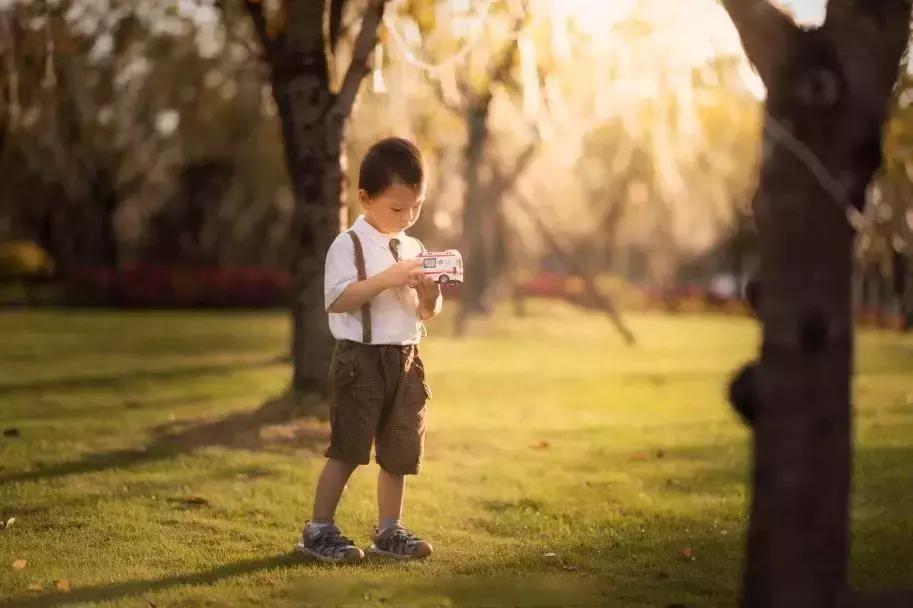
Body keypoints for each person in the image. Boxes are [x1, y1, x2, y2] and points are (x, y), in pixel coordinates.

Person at [296, 137, 442, 562]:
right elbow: (338, 299)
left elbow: (426, 313)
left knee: (399, 450)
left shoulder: (415, 248)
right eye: (398, 208)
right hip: (360, 359)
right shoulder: (348, 245)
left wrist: (429, 295)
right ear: (365, 198)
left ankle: (389, 530)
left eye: (416, 207)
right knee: (348, 447)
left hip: (406, 358)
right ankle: (319, 530)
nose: (407, 217)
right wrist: (387, 279)